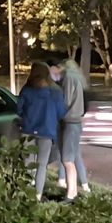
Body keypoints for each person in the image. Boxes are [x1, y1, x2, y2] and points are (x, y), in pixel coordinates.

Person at [17, 62, 67, 201]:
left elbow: (19, 110)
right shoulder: (56, 91)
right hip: (46, 132)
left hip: (28, 131)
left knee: (28, 163)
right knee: (42, 165)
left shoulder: (27, 90)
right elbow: (61, 112)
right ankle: (38, 195)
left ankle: (26, 193)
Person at [51, 57, 91, 202]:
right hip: (74, 121)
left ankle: (71, 194)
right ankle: (73, 190)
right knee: (70, 158)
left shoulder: (68, 78)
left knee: (68, 160)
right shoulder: (78, 78)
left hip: (69, 122)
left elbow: (65, 101)